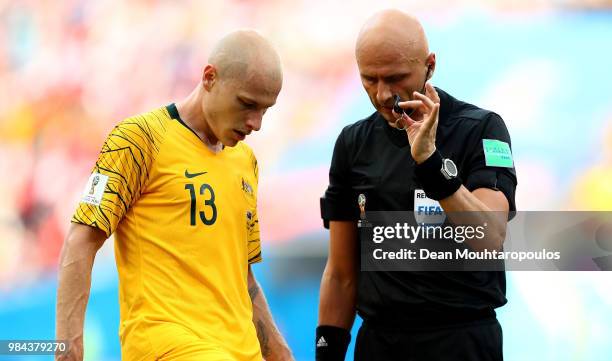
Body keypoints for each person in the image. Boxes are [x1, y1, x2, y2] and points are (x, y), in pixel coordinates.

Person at [56, 30, 294, 361]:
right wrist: (67, 347)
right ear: (210, 77)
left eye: (265, 110)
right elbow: (81, 239)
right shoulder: (138, 139)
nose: (256, 122)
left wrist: (279, 352)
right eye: (247, 104)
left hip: (239, 351)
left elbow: (243, 276)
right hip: (166, 344)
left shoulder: (246, 163)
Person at [317, 9, 518, 361]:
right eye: (369, 79)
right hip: (380, 343)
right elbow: (340, 274)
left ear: (430, 65)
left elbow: (488, 237)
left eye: (395, 78)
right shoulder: (352, 144)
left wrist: (429, 162)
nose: (382, 94)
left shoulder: (482, 129)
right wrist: (326, 354)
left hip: (462, 341)